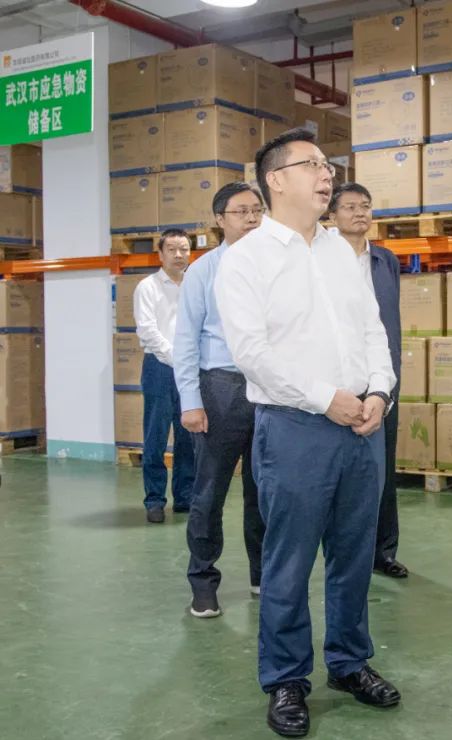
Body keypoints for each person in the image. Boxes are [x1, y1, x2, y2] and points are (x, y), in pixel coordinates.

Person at [215, 128, 400, 738]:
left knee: (354, 554)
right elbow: (252, 354)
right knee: (289, 561)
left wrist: (380, 391)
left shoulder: (342, 251)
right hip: (295, 428)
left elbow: (372, 329)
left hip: (361, 425)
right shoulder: (246, 258)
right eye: (313, 165)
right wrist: (328, 399)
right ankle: (286, 678)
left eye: (328, 165)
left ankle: (349, 662)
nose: (327, 175)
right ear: (276, 179)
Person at [174, 182, 268, 619]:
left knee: (264, 490)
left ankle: (262, 574)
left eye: (257, 211)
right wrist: (191, 401)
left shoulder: (276, 267)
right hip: (221, 388)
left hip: (269, 388)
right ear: (219, 219)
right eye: (240, 211)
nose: (251, 219)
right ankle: (203, 582)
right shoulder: (204, 271)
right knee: (210, 491)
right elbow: (185, 340)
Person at [328, 182, 408, 579]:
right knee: (339, 474)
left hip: (382, 381)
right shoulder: (321, 259)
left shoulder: (385, 261)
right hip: (338, 384)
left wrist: (387, 382)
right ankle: (343, 554)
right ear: (331, 216)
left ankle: (383, 552)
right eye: (349, 207)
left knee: (382, 470)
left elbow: (389, 323)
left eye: (365, 206)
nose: (359, 213)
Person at [134, 229, 195, 524]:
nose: (179, 255)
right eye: (172, 249)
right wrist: (177, 358)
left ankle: (185, 497)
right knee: (155, 436)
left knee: (188, 436)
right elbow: (148, 331)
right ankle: (155, 500)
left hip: (190, 369)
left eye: (184, 249)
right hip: (159, 367)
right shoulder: (147, 287)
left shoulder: (195, 285)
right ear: (160, 254)